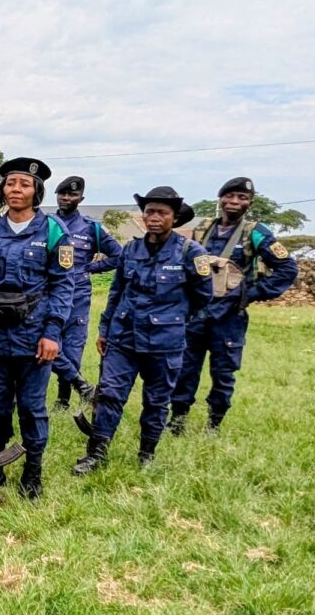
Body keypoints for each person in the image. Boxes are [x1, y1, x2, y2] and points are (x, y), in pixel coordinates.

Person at [74, 186, 213, 474]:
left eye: (162, 213)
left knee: (157, 400)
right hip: (123, 337)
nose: (154, 217)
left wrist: (175, 320)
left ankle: (146, 454)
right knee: (110, 394)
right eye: (150, 211)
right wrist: (104, 329)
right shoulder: (131, 249)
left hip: (165, 343)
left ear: (174, 218)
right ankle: (95, 454)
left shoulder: (191, 253)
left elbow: (203, 297)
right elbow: (117, 292)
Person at [0, 157, 73, 499]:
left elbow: (63, 285)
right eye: (10, 183)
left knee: (31, 407)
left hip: (34, 339)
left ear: (36, 191)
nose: (16, 189)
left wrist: (53, 333)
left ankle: (32, 472)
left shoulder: (54, 231)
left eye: (24, 184)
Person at [170, 177, 298, 434]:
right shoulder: (204, 228)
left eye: (242, 198)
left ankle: (213, 423)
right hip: (197, 313)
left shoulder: (255, 232)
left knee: (223, 371)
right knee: (185, 368)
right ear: (221, 198)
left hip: (229, 317)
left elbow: (287, 268)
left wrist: (250, 294)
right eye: (230, 196)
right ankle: (177, 419)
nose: (234, 202)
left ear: (249, 203)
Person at [49, 176, 123, 409]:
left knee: (72, 349)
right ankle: (81, 385)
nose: (66, 198)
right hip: (49, 293)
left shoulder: (92, 228)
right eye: (62, 194)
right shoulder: (46, 223)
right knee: (48, 343)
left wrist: (91, 267)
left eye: (72, 195)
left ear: (81, 198)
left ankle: (63, 400)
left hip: (78, 296)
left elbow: (118, 256)